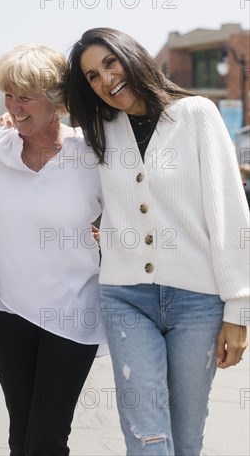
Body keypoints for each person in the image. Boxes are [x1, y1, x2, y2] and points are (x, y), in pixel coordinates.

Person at [65, 27, 249, 456]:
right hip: (126, 298)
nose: (106, 79)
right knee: (148, 440)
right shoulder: (97, 131)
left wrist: (239, 308)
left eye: (110, 63)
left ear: (132, 56)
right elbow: (37, 135)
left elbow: (230, 214)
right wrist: (5, 122)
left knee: (185, 441)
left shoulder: (197, 115)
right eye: (92, 76)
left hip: (198, 303)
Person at [0, 44, 107, 456]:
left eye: (25, 96)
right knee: (21, 432)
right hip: (4, 308)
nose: (13, 106)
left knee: (47, 435)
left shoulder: (93, 154)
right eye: (8, 95)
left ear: (56, 102)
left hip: (73, 309)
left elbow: (133, 213)